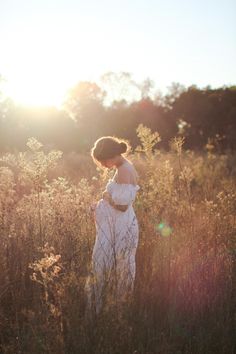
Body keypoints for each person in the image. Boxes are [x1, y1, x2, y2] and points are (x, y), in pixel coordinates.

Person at [85, 136, 140, 315]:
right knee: (114, 266)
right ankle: (112, 311)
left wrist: (106, 198)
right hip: (116, 225)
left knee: (110, 266)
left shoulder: (124, 171)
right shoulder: (123, 167)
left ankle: (105, 312)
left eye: (103, 161)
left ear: (111, 155)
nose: (102, 165)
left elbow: (122, 206)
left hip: (120, 227)